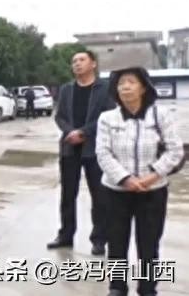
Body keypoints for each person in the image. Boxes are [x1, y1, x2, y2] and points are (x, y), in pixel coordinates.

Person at [96, 66, 184, 296]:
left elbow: (175, 151)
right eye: (120, 83)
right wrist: (125, 179)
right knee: (116, 242)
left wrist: (151, 177)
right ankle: (117, 287)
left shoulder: (161, 115)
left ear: (144, 87)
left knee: (148, 243)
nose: (125, 87)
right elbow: (103, 153)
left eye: (131, 82)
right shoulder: (107, 118)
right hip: (116, 191)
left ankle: (147, 288)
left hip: (152, 191)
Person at [48, 50, 115, 256]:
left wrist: (84, 132)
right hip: (70, 148)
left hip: (95, 148)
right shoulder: (67, 89)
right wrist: (70, 132)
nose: (77, 64)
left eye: (82, 60)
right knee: (68, 195)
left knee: (99, 195)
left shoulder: (105, 88)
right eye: (74, 61)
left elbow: (108, 115)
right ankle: (65, 235)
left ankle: (99, 239)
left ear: (93, 64)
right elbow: (59, 116)